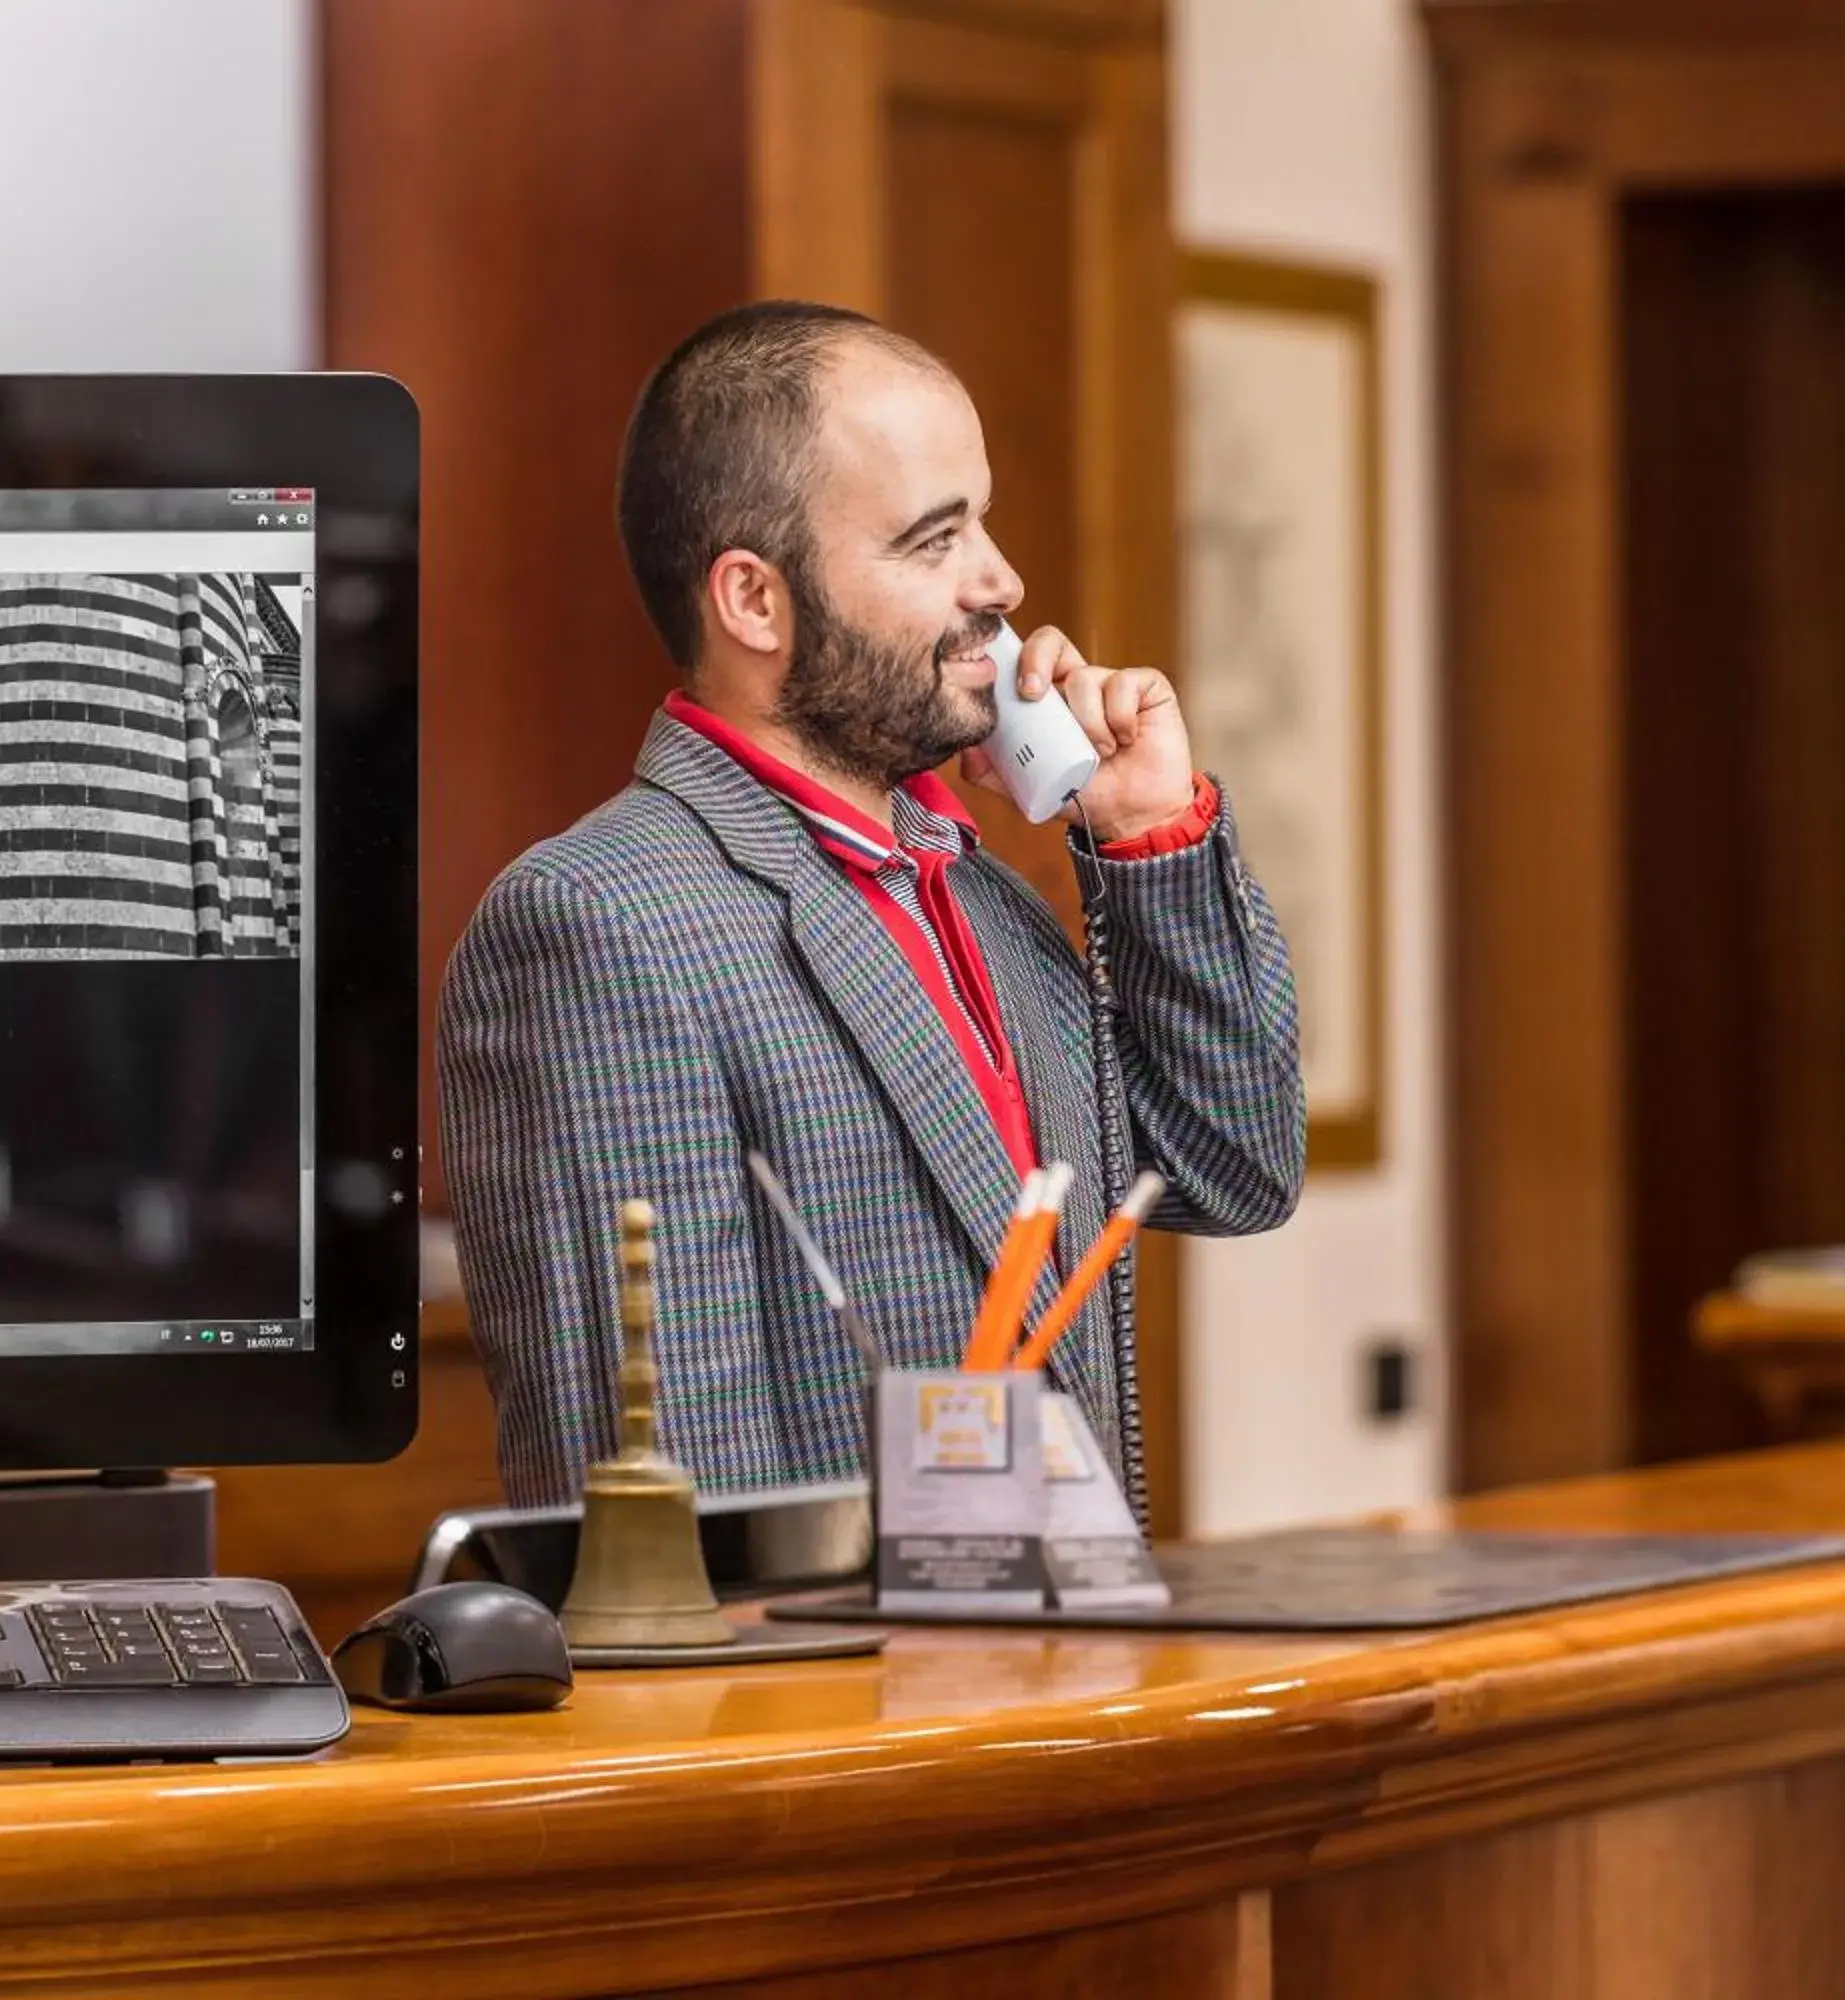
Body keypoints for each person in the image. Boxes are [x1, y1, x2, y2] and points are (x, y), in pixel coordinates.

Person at [439, 301, 1304, 1510]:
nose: (1000, 580)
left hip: (1068, 1675)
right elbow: (659, 1509)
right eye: (932, 539)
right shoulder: (597, 925)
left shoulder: (986, 893)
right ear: (755, 600)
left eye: (983, 522)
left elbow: (1236, 1169)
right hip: (851, 1696)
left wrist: (1146, 833)